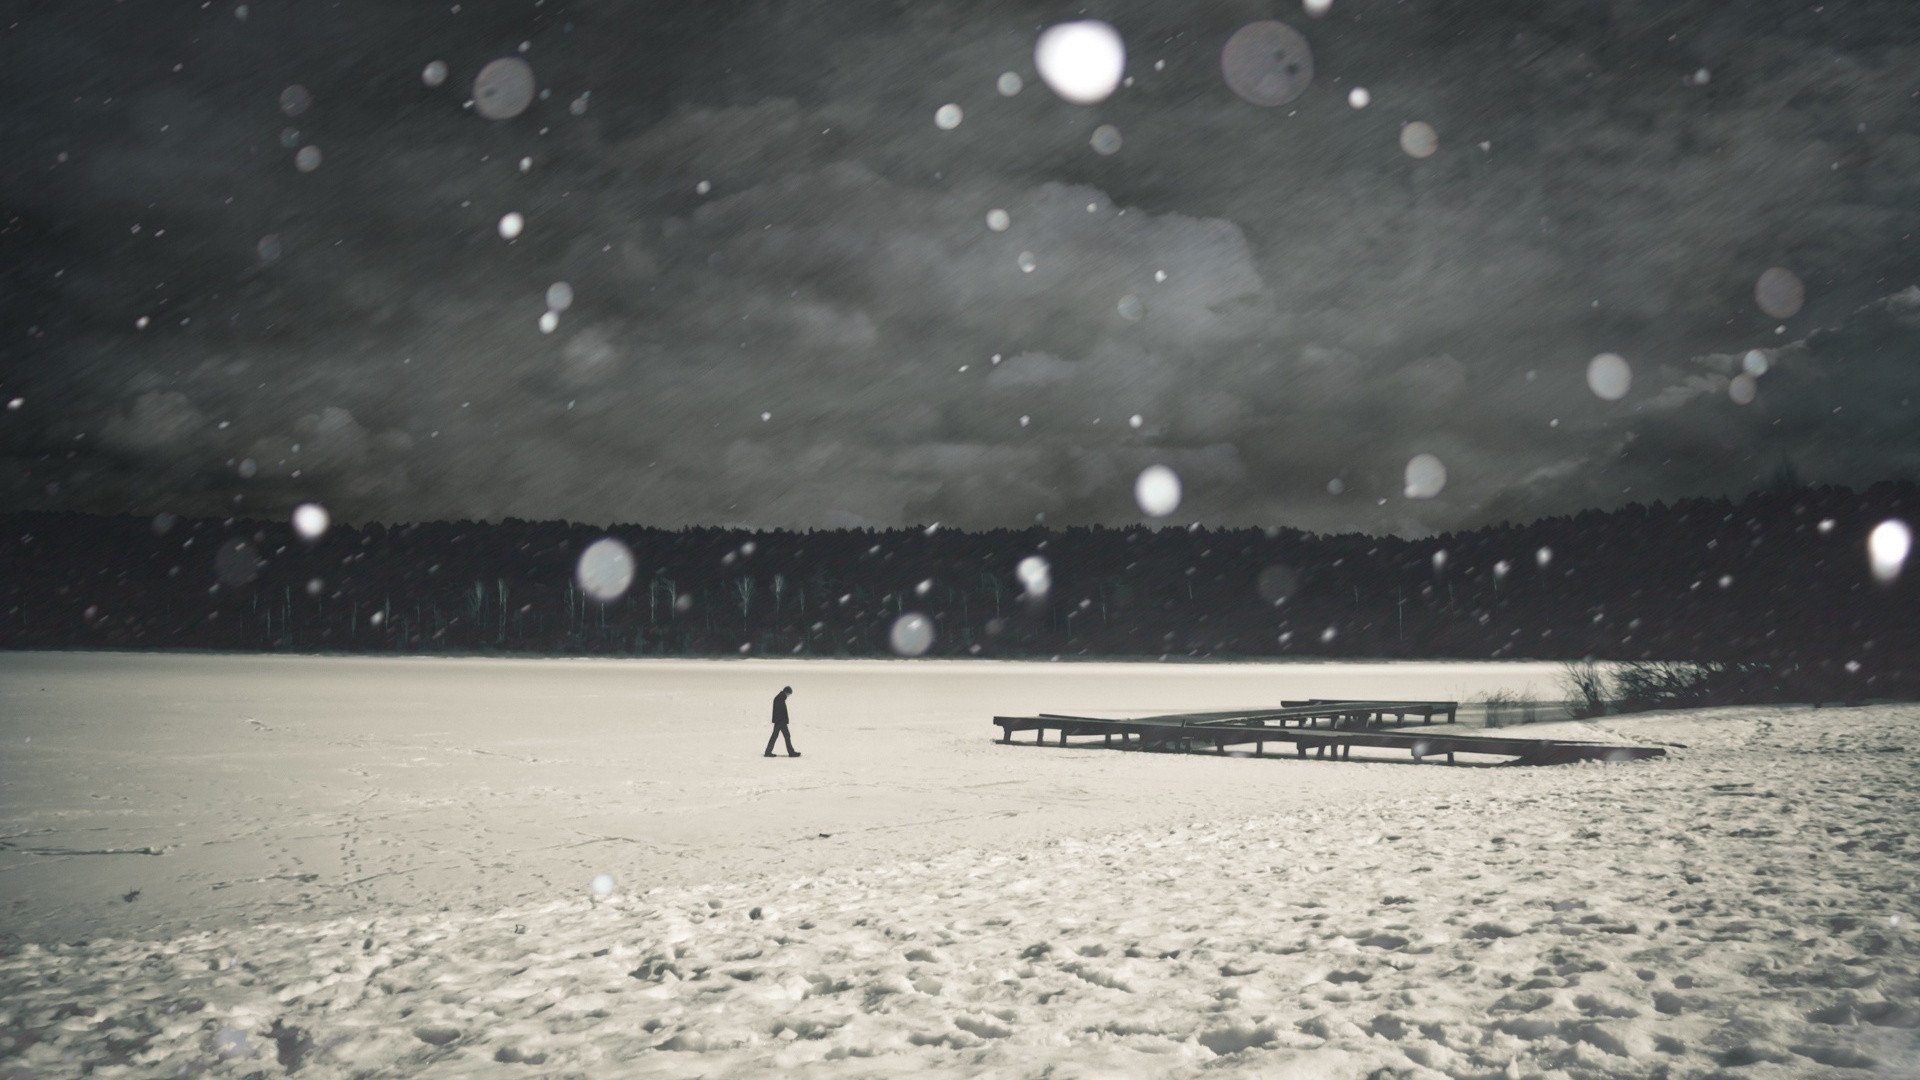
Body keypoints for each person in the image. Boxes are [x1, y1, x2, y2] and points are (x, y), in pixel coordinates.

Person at [764, 686, 801, 757]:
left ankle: (768, 752)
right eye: (789, 694)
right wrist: (783, 721)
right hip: (780, 721)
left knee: (777, 736)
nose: (789, 696)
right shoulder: (780, 698)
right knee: (785, 736)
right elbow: (780, 711)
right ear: (786, 692)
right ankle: (791, 753)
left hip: (779, 721)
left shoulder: (780, 697)